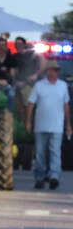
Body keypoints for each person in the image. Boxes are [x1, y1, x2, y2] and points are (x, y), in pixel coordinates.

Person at [25, 62, 71, 190]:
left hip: (57, 126)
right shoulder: (39, 86)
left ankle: (54, 176)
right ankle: (40, 177)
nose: (54, 73)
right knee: (40, 154)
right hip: (41, 126)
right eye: (52, 70)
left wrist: (68, 125)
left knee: (55, 152)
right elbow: (30, 104)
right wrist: (29, 121)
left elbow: (66, 106)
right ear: (47, 72)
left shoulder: (63, 86)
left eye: (56, 70)